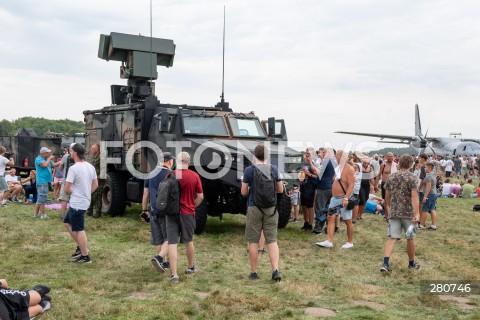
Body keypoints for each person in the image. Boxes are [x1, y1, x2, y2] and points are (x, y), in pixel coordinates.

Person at [242, 144, 284, 281]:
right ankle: (275, 270)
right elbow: (280, 190)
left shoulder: (249, 170)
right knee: (272, 240)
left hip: (254, 207)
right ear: (267, 156)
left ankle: (254, 272)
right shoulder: (274, 169)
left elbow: (243, 192)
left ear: (254, 155)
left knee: (253, 241)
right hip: (271, 208)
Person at [380, 154, 421, 274]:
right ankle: (411, 264)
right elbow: (414, 196)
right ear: (410, 164)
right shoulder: (412, 177)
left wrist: (387, 210)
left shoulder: (391, 177)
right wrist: (417, 213)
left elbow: (387, 196)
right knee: (410, 238)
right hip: (408, 213)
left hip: (394, 212)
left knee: (392, 237)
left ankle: (386, 263)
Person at [167, 152, 203, 282]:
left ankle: (174, 274)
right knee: (188, 241)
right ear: (189, 162)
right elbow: (200, 196)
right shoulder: (194, 176)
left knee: (172, 242)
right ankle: (190, 267)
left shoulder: (171, 174)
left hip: (171, 213)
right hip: (187, 212)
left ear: (177, 161)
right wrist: (192, 205)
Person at [64, 143, 98, 264]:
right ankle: (80, 247)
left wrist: (75, 193)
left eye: (71, 151)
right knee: (67, 222)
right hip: (83, 201)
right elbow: (96, 184)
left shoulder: (74, 168)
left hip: (77, 202)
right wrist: (87, 193)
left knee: (79, 229)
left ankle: (85, 256)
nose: (70, 153)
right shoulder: (90, 166)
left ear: (75, 153)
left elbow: (67, 189)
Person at [142, 152, 175, 273]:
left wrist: (144, 210)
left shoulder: (151, 174)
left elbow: (146, 194)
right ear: (170, 161)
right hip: (166, 211)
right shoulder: (171, 174)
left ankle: (164, 263)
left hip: (153, 210)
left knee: (158, 238)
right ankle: (159, 258)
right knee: (171, 237)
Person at [316, 150, 355, 249]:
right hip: (335, 198)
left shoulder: (349, 169)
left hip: (344, 198)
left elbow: (351, 185)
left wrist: (346, 198)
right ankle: (329, 240)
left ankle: (350, 242)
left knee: (347, 220)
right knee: (330, 218)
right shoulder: (337, 168)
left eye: (336, 156)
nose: (335, 158)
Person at [311, 148, 336, 235]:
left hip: (323, 188)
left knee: (319, 208)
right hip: (330, 187)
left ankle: (318, 229)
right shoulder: (334, 162)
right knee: (328, 209)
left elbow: (317, 172)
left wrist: (310, 163)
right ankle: (329, 227)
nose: (322, 153)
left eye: (324, 152)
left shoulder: (326, 161)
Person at [34, 147, 60, 219]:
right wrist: (49, 159)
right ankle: (43, 215)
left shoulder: (47, 159)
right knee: (42, 198)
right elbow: (44, 165)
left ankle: (35, 214)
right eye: (47, 152)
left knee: (40, 198)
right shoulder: (38, 159)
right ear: (43, 153)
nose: (49, 154)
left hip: (45, 181)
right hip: (41, 181)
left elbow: (54, 165)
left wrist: (62, 161)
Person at [299, 148, 318, 231]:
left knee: (310, 206)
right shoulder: (303, 163)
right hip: (303, 185)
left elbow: (317, 177)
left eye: (309, 154)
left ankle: (310, 225)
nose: (307, 155)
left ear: (313, 155)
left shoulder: (315, 164)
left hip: (310, 187)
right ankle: (306, 223)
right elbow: (301, 174)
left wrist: (309, 174)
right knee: (303, 205)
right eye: (306, 153)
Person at [86, 144, 104, 218]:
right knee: (91, 194)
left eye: (93, 148)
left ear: (98, 149)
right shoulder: (94, 156)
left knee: (97, 195)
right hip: (93, 178)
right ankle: (89, 210)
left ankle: (98, 212)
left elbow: (104, 169)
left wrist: (98, 178)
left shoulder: (102, 157)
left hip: (99, 179)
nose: (91, 150)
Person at [58, 144, 76, 220]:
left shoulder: (66, 156)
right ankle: (73, 215)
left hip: (66, 181)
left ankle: (63, 215)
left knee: (64, 199)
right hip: (75, 183)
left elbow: (60, 167)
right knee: (74, 199)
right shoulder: (79, 157)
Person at [419, 163, 437, 231]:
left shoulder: (428, 176)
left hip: (429, 195)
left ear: (429, 168)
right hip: (434, 194)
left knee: (425, 209)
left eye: (425, 167)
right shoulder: (433, 174)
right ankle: (433, 225)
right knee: (432, 209)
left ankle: (421, 225)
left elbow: (428, 187)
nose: (424, 168)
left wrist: (425, 197)